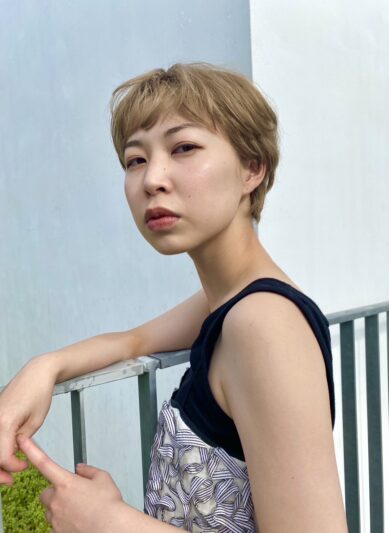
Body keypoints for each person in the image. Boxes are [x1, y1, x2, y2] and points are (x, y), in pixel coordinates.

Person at [0, 62, 348, 532]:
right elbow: (135, 341)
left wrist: (109, 521)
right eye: (135, 160)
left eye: (184, 148)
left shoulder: (264, 323)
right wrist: (43, 368)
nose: (152, 179)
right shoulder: (230, 302)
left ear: (252, 168)